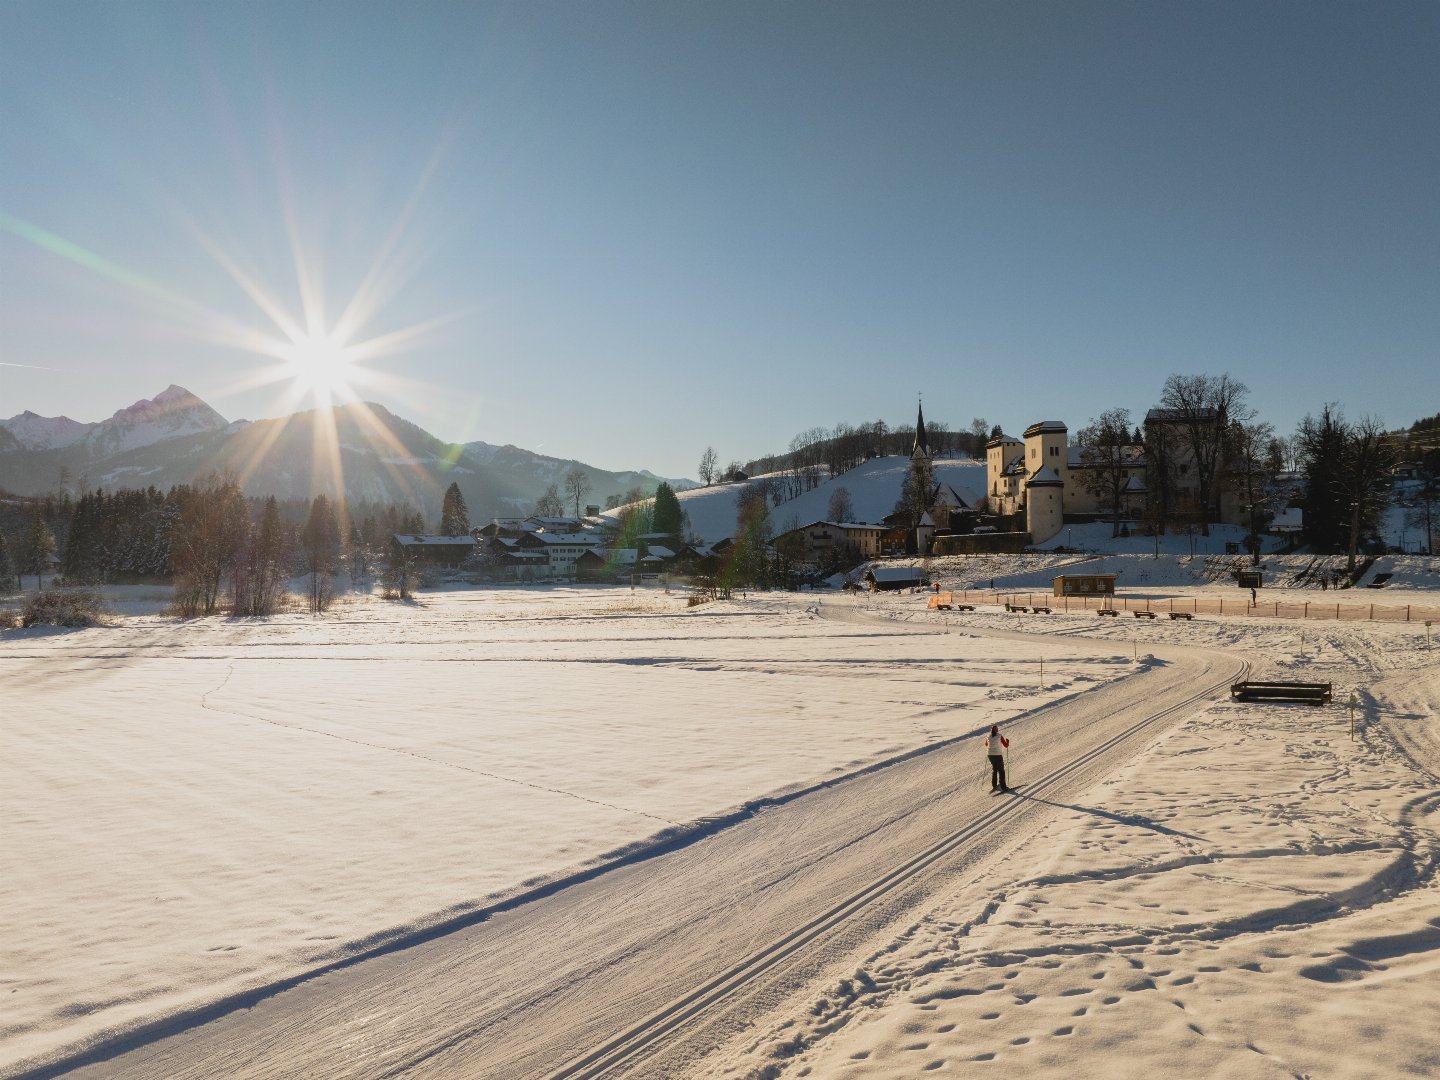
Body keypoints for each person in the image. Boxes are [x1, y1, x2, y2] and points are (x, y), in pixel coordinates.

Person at [984, 724, 1011, 792]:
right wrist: (1007, 742)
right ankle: (1003, 787)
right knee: (1001, 770)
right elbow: (1005, 745)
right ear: (997, 730)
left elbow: (986, 744)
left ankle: (994, 785)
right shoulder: (999, 736)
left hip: (990, 755)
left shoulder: (988, 736)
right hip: (998, 755)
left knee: (995, 769)